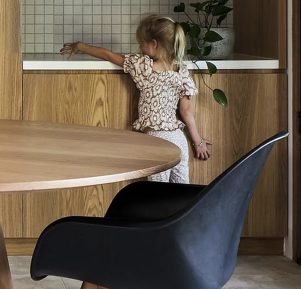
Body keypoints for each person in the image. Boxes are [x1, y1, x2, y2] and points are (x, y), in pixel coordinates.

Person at [61, 13, 210, 183]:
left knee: (157, 196)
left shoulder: (143, 66)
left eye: (141, 44)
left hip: (157, 141)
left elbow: (109, 55)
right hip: (178, 139)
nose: (140, 48)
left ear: (154, 43)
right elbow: (185, 110)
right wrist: (198, 142)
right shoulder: (181, 71)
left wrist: (80, 46)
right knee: (181, 194)